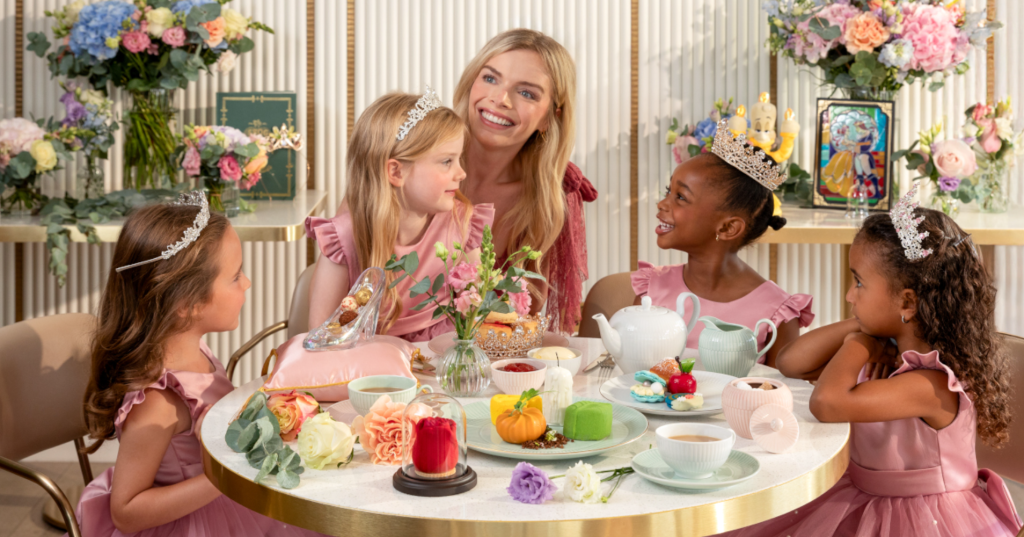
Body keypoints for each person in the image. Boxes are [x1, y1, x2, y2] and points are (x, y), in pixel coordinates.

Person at [721, 184, 1021, 536]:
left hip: (925, 519)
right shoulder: (887, 349)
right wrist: (863, 330)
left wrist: (859, 342)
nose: (849, 294)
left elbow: (827, 403)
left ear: (907, 303)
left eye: (859, 283)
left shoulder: (932, 383)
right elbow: (791, 362)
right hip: (859, 497)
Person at [76, 194, 323, 536]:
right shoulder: (157, 402)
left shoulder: (196, 351)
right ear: (188, 305)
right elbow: (127, 511)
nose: (247, 283)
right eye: (236, 276)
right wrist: (226, 472)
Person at [306, 89, 494, 341]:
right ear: (396, 172)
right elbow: (322, 337)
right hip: (370, 368)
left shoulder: (460, 224)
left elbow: (479, 313)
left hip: (443, 362)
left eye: (458, 159)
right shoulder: (345, 239)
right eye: (447, 161)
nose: (461, 173)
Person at [631, 121, 813, 366]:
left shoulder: (777, 314)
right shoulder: (651, 290)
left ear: (728, 228)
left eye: (680, 197)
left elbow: (778, 394)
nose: (662, 204)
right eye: (668, 190)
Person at [454, 28, 597, 334]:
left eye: (526, 93)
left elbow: (526, 311)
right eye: (490, 78)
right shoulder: (414, 156)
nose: (500, 99)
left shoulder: (544, 199)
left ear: (549, 118)